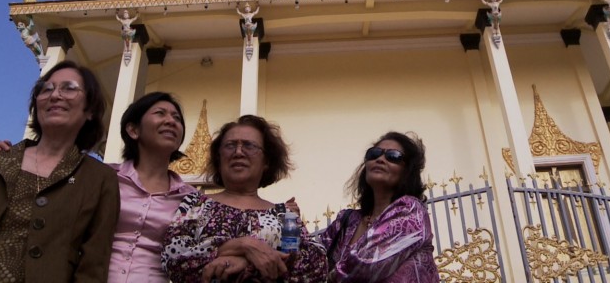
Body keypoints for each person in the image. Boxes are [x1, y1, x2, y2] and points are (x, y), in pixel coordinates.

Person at [0, 91, 197, 283]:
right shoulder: (96, 176)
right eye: (160, 113)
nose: (171, 121)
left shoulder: (191, 199)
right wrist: (6, 163)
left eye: (177, 118)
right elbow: (43, 192)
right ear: (133, 130)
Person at [0, 60, 120, 282]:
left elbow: (93, 264)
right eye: (46, 89)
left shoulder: (100, 180)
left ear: (90, 110)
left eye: (69, 88)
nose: (55, 95)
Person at [161, 115, 328, 283]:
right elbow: (174, 259)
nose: (238, 152)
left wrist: (244, 262)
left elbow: (316, 267)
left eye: (249, 145)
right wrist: (244, 245)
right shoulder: (195, 204)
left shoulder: (284, 215)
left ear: (266, 162)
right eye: (230, 145)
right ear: (219, 158)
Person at [319, 132, 438, 282]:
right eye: (374, 154)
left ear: (407, 171)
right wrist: (293, 225)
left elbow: (364, 265)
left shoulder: (410, 211)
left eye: (393, 156)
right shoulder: (347, 220)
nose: (380, 159)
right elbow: (313, 261)